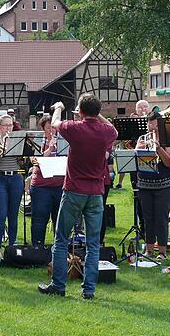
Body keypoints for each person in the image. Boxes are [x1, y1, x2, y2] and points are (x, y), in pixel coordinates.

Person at [38, 93, 117, 300]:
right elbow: (114, 129)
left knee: (61, 239)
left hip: (74, 190)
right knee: (92, 244)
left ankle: (58, 285)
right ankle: (88, 290)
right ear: (98, 112)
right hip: (96, 193)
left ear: (80, 112)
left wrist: (58, 107)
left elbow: (55, 123)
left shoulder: (76, 128)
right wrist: (97, 115)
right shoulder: (106, 131)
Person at [135, 113, 170, 261]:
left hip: (164, 185)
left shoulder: (168, 138)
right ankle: (149, 249)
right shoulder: (142, 139)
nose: (151, 127)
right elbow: (135, 160)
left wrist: (158, 148)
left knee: (161, 217)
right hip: (145, 184)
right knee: (148, 217)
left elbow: (169, 163)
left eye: (154, 123)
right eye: (149, 124)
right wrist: (139, 150)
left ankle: (162, 251)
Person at [0, 114, 21, 262]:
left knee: (13, 215)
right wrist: (3, 150)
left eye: (10, 125)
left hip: (15, 178)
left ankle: (12, 246)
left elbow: (22, 161)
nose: (8, 128)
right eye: (5, 125)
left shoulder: (17, 141)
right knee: (1, 215)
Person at [29, 116, 64, 245]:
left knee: (59, 219)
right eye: (49, 128)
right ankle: (37, 248)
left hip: (60, 184)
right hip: (41, 186)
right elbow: (34, 160)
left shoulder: (64, 141)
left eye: (54, 128)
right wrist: (49, 149)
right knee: (39, 219)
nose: (52, 131)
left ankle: (59, 249)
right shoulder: (38, 141)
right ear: (43, 129)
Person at [115, 99, 151, 189]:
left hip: (150, 157)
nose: (143, 109)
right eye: (140, 107)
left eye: (145, 107)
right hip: (134, 156)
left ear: (149, 109)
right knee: (135, 183)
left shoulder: (154, 122)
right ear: (136, 110)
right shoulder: (131, 124)